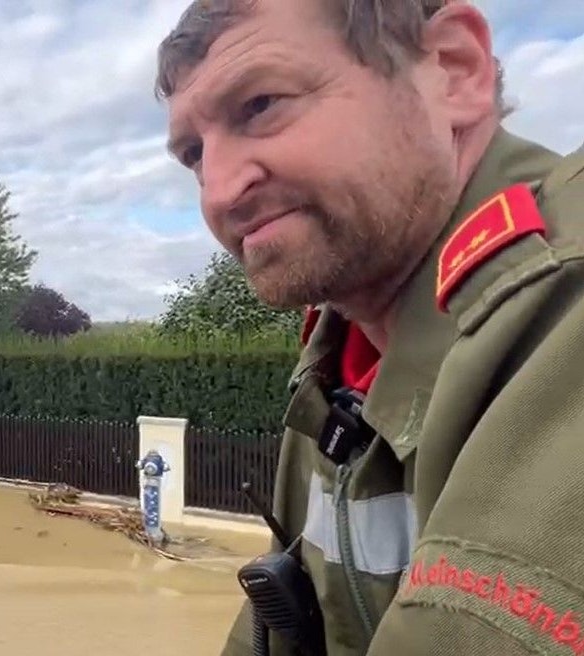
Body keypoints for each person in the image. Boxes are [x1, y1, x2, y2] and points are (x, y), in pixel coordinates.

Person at [154, 0, 584, 654]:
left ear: (453, 71)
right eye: (192, 152)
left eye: (262, 104)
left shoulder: (566, 303)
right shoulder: (336, 370)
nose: (217, 193)